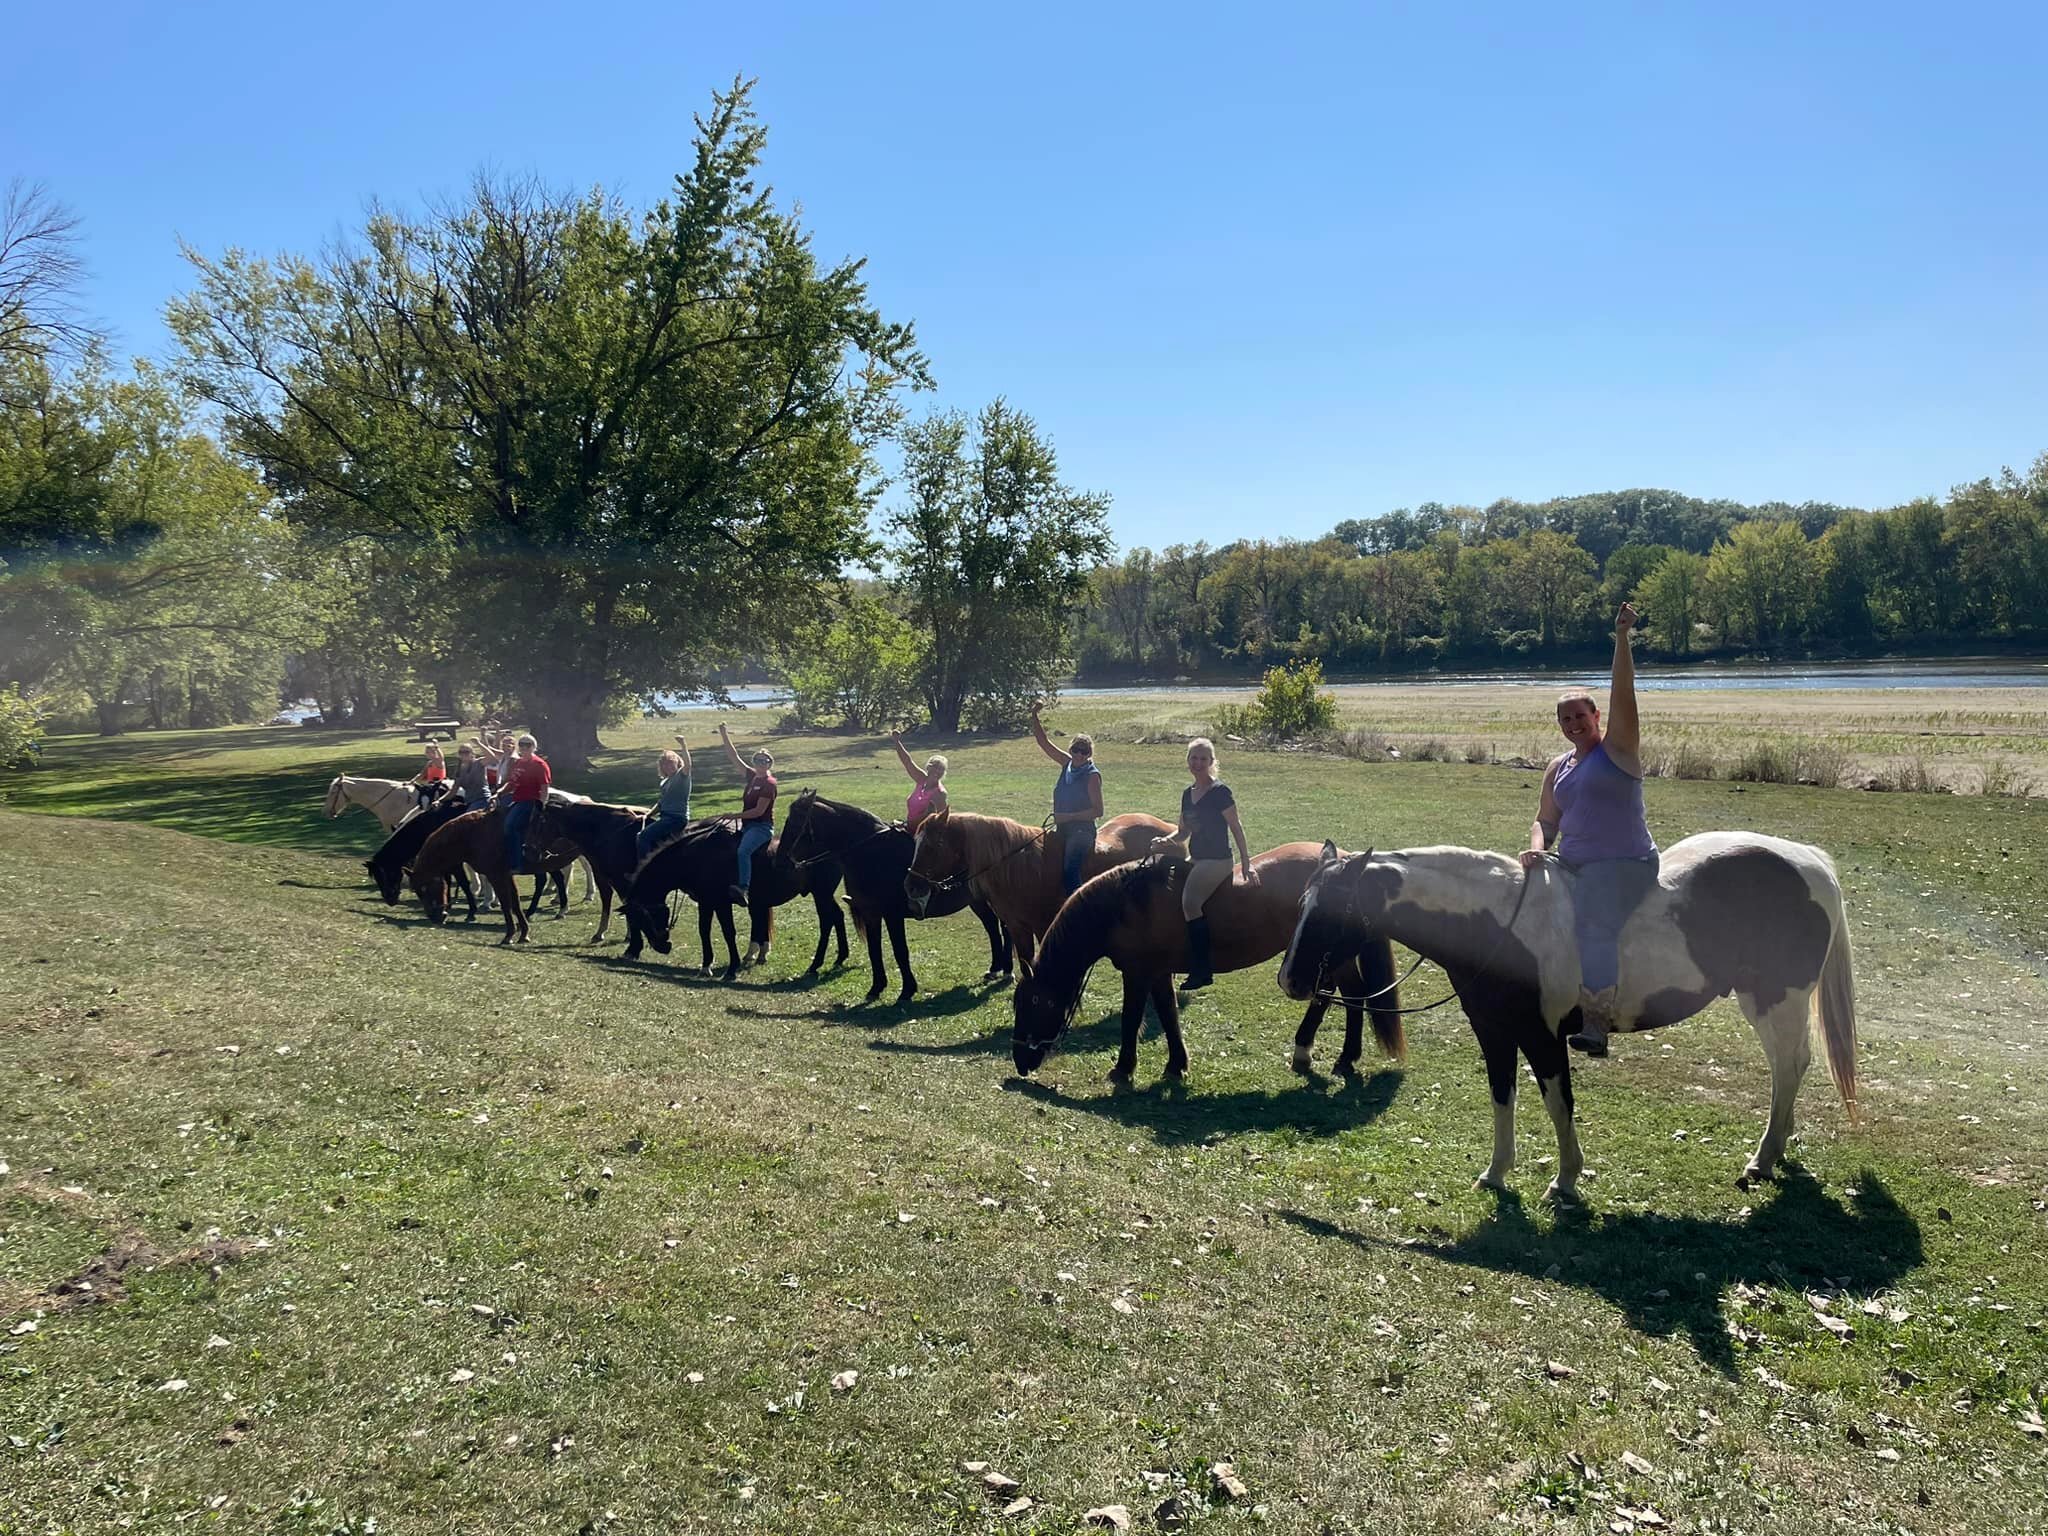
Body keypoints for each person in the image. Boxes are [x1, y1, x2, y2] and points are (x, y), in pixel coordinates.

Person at [1521, 601, 1658, 1056]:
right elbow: (1545, 819)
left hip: (1623, 863)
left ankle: (1596, 1022)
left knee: (1594, 922)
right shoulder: (1558, 767)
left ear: (1597, 717)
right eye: (1566, 719)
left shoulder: (1618, 750)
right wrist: (1537, 847)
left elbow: (1625, 695)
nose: (1574, 724)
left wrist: (1621, 639)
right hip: (1573, 862)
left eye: (1581, 715)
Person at [1151, 737, 1256, 992]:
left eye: (1203, 759)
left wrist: (1246, 862)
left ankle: (1202, 969)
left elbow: (1236, 827)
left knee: (1190, 902)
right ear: (1188, 761)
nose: (1198, 763)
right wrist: (1164, 840)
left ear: (1212, 762)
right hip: (1196, 858)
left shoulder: (1221, 792)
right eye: (1194, 758)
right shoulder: (1188, 794)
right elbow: (1183, 833)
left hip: (1218, 860)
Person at [1030, 705, 1102, 895]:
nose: (1079, 755)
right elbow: (1043, 742)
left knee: (1070, 871)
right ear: (1070, 749)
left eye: (1084, 751)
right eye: (1076, 750)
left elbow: (1097, 811)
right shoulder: (1066, 764)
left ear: (1089, 754)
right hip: (1062, 828)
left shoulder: (1092, 775)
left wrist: (1068, 817)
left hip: (1082, 831)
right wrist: (1034, 716)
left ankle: (1080, 910)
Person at [718, 722, 777, 901]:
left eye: (764, 761)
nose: (760, 763)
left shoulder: (769, 783)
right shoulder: (752, 776)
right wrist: (723, 733)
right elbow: (733, 756)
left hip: (761, 827)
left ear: (769, 764)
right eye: (757, 760)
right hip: (747, 825)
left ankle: (744, 887)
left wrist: (733, 816)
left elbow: (758, 812)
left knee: (743, 851)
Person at [501, 733, 552, 875]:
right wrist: (498, 793)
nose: (524, 747)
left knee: (510, 826)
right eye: (521, 745)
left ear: (533, 747)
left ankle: (516, 864)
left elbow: (544, 788)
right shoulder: (518, 763)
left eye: (527, 745)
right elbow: (512, 783)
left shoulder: (539, 764)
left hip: (530, 801)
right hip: (517, 800)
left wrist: (541, 806)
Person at [639, 735, 694, 864]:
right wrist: (647, 815)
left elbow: (688, 764)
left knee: (643, 837)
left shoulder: (682, 776)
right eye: (665, 764)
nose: (668, 766)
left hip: (676, 818)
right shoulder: (664, 782)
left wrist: (683, 745)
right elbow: (661, 803)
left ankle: (644, 870)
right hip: (665, 817)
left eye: (671, 762)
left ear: (677, 762)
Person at [891, 731, 949, 831]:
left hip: (925, 834)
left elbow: (935, 820)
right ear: (929, 768)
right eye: (936, 767)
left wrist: (907, 825)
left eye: (941, 769)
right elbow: (907, 762)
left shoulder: (940, 794)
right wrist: (896, 741)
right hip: (910, 827)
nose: (938, 771)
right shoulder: (922, 779)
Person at [450, 742, 491, 808]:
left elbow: (492, 758)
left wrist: (478, 743)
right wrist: (440, 800)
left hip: (482, 799)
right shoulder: (458, 769)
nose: (463, 754)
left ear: (472, 753)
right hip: (469, 801)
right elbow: (453, 790)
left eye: (466, 752)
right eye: (461, 752)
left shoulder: (478, 763)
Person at [412, 743, 448, 810]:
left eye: (428, 752)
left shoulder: (438, 762)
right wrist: (412, 781)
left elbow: (441, 758)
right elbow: (421, 774)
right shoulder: (429, 763)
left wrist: (437, 748)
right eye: (426, 752)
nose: (426, 754)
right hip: (430, 784)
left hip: (440, 784)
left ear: (434, 752)